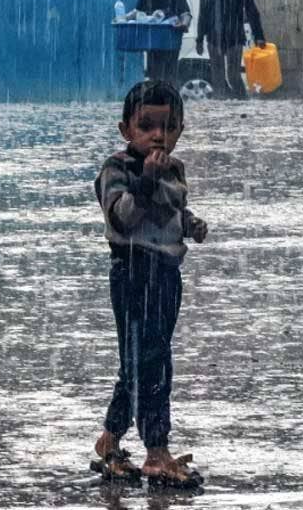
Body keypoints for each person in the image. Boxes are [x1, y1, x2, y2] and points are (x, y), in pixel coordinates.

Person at [91, 80, 208, 489]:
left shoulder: (173, 169)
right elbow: (122, 217)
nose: (158, 135)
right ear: (126, 130)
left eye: (169, 126)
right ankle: (156, 451)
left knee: (139, 362)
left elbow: (174, 208)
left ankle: (109, 439)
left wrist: (191, 224)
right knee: (151, 362)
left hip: (166, 275)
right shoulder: (117, 170)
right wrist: (144, 181)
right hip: (133, 273)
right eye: (147, 126)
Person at [195, 0, 266, 100]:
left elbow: (251, 9)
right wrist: (199, 38)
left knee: (233, 75)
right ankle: (223, 109)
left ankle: (242, 102)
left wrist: (259, 35)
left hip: (234, 36)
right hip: (214, 36)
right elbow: (203, 12)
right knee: (218, 77)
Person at [135, 0, 191, 84]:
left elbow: (186, 14)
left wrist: (183, 24)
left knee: (169, 78)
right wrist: (124, 19)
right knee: (153, 77)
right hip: (152, 43)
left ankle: (169, 101)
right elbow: (137, 13)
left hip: (171, 42)